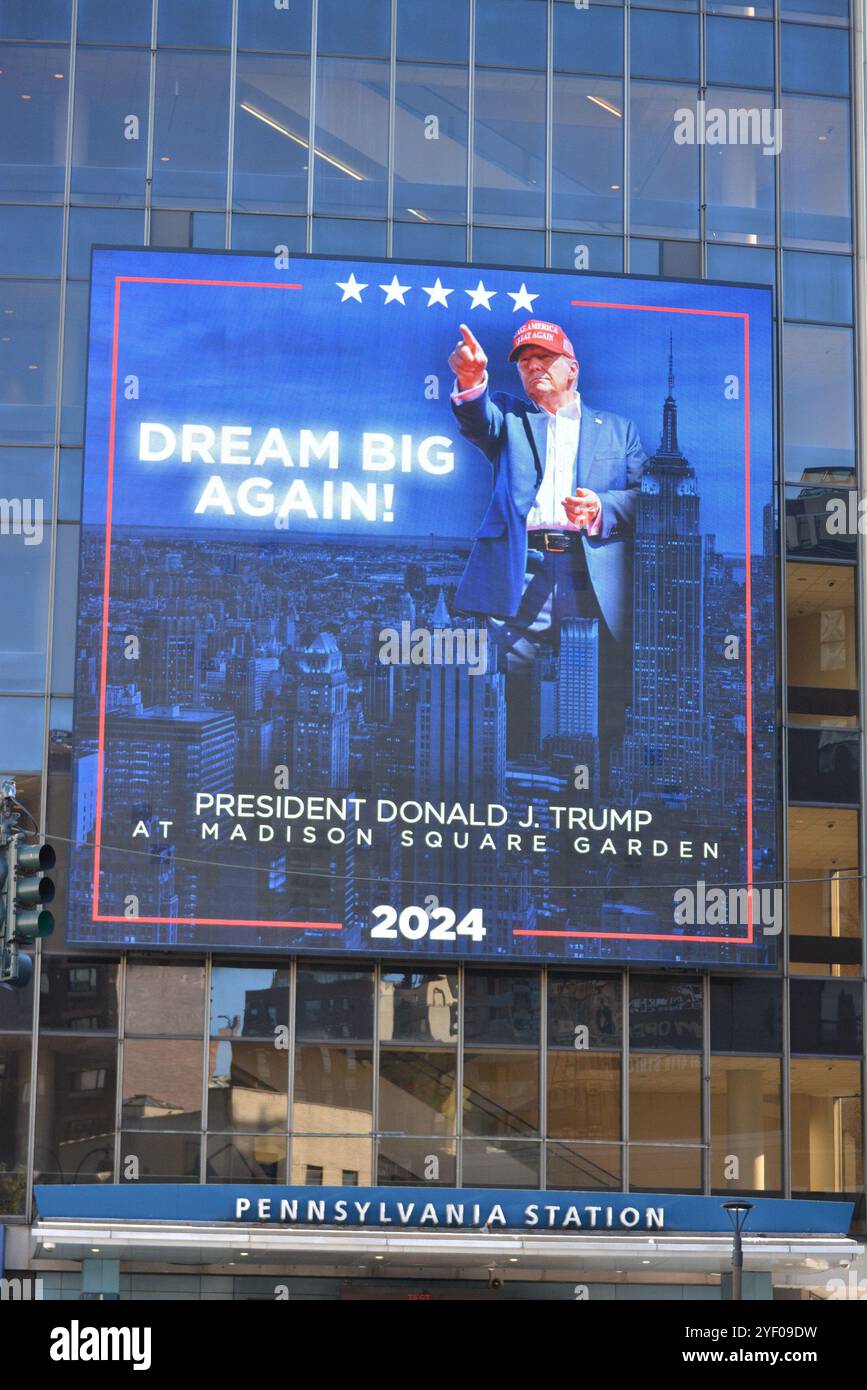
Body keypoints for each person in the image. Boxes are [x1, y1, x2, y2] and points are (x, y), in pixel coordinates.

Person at [448, 319, 647, 768]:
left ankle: (592, 781)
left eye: (544, 359)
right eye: (524, 362)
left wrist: (601, 506)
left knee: (596, 684)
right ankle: (513, 774)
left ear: (572, 369)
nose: (533, 367)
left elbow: (647, 500)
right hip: (523, 567)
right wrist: (470, 380)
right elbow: (477, 420)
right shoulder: (511, 418)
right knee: (509, 679)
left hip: (590, 571)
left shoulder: (619, 431)